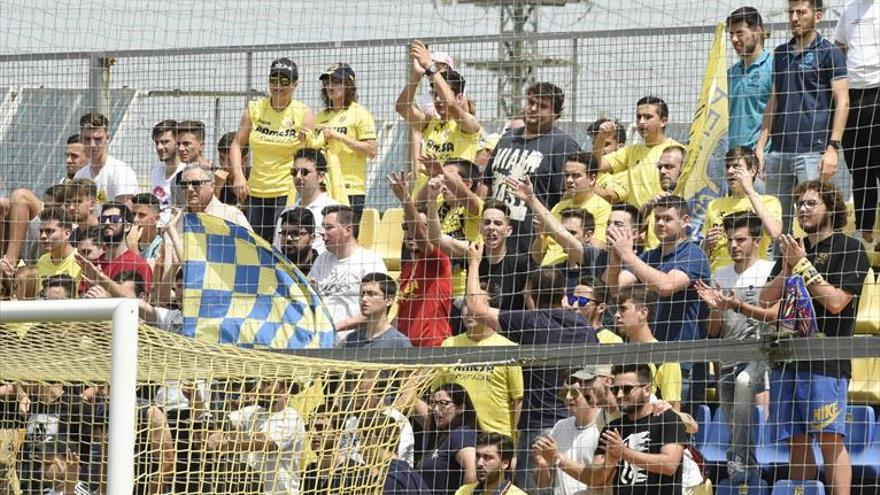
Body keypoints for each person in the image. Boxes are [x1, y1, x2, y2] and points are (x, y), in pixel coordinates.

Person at [759, 180, 869, 495]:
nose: (802, 209)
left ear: (831, 208)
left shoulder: (849, 247)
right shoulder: (792, 247)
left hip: (826, 358)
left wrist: (803, 265)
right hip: (787, 356)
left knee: (830, 439)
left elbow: (836, 302)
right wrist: (787, 268)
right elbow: (767, 301)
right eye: (800, 204)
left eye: (811, 203)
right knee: (795, 438)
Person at [465, 242, 597, 493]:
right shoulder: (584, 327)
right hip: (576, 422)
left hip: (540, 427)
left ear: (532, 295)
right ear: (563, 295)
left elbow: (476, 308)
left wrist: (473, 262)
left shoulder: (530, 321)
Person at [754, 0, 849, 237]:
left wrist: (832, 149)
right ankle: (781, 272)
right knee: (777, 227)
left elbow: (843, 101)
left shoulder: (830, 52)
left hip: (812, 153)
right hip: (778, 153)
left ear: (817, 16)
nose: (795, 18)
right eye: (791, 12)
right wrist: (760, 146)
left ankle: (815, 272)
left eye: (801, 12)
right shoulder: (781, 54)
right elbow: (773, 102)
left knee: (813, 222)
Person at [605, 195, 710, 410]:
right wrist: (616, 259)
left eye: (668, 219)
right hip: (649, 361)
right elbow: (615, 290)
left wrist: (628, 255)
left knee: (677, 430)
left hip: (682, 363)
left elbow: (666, 286)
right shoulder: (649, 256)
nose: (661, 223)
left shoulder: (693, 254)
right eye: (657, 218)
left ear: (685, 220)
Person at [695, 212, 776, 483]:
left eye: (740, 239)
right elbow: (714, 330)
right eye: (730, 240)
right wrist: (715, 308)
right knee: (732, 412)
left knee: (744, 383)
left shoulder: (768, 270)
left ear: (757, 240)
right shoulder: (720, 274)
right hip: (728, 354)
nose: (734, 245)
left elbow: (775, 318)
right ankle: (746, 466)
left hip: (762, 353)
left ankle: (741, 458)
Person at [484, 82, 581, 254]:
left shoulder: (562, 144)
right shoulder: (507, 138)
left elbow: (567, 197)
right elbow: (486, 183)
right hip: (496, 241)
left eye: (542, 106)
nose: (533, 108)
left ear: (555, 113)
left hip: (533, 243)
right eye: (531, 102)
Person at [229, 57, 316, 241]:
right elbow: (237, 143)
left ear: (295, 84)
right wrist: (238, 175)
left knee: (282, 244)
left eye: (285, 81)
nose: (278, 86)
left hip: (286, 191)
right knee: (255, 244)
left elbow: (311, 154)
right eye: (274, 80)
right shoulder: (255, 108)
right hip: (256, 190)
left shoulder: (303, 112)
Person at [573, 364, 689, 495]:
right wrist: (610, 462)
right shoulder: (612, 427)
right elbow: (596, 478)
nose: (620, 395)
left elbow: (669, 465)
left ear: (646, 390)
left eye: (627, 389)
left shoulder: (666, 418)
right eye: (616, 389)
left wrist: (624, 452)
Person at [435, 283, 524, 439]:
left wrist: (515, 442)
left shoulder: (508, 348)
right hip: (455, 439)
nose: (469, 310)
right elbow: (437, 394)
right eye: (466, 304)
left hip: (496, 441)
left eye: (477, 304)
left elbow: (517, 400)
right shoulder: (448, 346)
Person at [206, 379, 306, 495]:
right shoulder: (254, 411)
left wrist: (227, 441)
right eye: (259, 383)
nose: (258, 388)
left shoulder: (291, 417)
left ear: (284, 390)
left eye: (266, 384)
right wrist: (218, 432)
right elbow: (224, 422)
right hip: (251, 489)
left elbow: (263, 443)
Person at [834, 0, 880, 251]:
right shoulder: (849, 9)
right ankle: (865, 232)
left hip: (878, 90)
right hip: (853, 96)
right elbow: (838, 45)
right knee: (859, 170)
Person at [395, 41, 481, 173]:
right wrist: (416, 77)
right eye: (435, 95)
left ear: (460, 97)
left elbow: (451, 104)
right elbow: (402, 107)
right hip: (425, 191)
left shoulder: (468, 126)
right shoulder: (430, 122)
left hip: (450, 192)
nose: (439, 99)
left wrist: (430, 65)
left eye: (441, 94)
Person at [388, 171, 452, 347]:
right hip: (405, 350)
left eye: (416, 226)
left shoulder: (439, 260)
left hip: (432, 348)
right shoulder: (408, 268)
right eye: (405, 227)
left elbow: (420, 236)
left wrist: (406, 198)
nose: (410, 233)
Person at [309, 204, 388, 339]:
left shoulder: (370, 261)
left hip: (355, 344)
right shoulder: (321, 260)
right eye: (323, 227)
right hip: (321, 340)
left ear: (347, 230)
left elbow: (377, 312)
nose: (322, 232)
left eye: (329, 227)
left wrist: (335, 327)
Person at [591, 96, 682, 209]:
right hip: (636, 222)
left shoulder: (677, 151)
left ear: (663, 121)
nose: (641, 122)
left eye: (648, 117)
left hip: (662, 218)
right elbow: (596, 164)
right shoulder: (631, 151)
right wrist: (601, 137)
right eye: (639, 117)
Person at [702, 147, 781, 273]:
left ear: (753, 171)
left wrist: (749, 191)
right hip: (719, 276)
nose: (730, 171)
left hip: (754, 275)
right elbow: (704, 252)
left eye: (736, 166)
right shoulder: (714, 205)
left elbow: (775, 232)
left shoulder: (769, 202)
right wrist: (706, 243)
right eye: (727, 167)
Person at [531, 368, 605, 495]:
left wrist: (557, 457)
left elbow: (598, 478)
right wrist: (543, 466)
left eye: (574, 393)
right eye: (564, 392)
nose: (567, 397)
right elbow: (543, 486)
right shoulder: (560, 427)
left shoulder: (604, 426)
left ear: (590, 394)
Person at [315, 63, 378, 212]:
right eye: (326, 82)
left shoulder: (360, 113)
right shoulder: (320, 117)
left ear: (348, 84)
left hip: (351, 189)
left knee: (345, 234)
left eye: (336, 82)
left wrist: (340, 137)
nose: (330, 86)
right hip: (324, 188)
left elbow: (371, 151)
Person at [614, 286, 683, 411]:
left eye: (623, 309)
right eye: (617, 309)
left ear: (643, 313)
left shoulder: (666, 357)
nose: (616, 315)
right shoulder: (617, 354)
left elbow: (673, 413)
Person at [538, 151, 612, 267]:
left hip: (573, 275)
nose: (569, 180)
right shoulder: (559, 207)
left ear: (592, 179)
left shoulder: (604, 209)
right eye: (566, 175)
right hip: (544, 272)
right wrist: (540, 237)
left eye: (576, 176)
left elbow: (598, 250)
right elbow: (537, 257)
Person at [414, 383, 478, 495]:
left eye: (444, 403)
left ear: (461, 408)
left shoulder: (462, 434)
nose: (436, 409)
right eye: (433, 403)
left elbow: (473, 471)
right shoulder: (440, 436)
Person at [274, 148, 339, 254]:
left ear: (321, 176)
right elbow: (277, 251)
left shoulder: (335, 211)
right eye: (294, 172)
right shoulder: (286, 212)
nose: (298, 177)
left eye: (304, 172)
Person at [727, 7, 772, 151]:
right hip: (734, 159)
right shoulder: (730, 74)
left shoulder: (774, 68)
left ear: (757, 32)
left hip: (763, 158)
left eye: (740, 33)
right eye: (731, 34)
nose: (734, 39)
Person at [84, 202, 153, 294]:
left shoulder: (139, 265)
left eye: (114, 219)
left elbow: (142, 303)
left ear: (127, 226)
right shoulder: (94, 266)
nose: (107, 222)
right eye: (103, 219)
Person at [72, 112, 138, 205]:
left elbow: (124, 213)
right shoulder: (79, 175)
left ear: (107, 138)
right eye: (87, 139)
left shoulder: (121, 171)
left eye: (98, 139)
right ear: (81, 140)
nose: (92, 145)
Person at [361, 411, 430, 495]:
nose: (360, 450)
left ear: (372, 438)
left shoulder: (387, 480)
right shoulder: (410, 473)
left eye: (361, 441)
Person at [341, 273, 413, 349]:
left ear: (389, 300)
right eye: (362, 294)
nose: (364, 299)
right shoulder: (351, 339)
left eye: (371, 294)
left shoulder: (399, 343)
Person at [179, 164, 251, 229]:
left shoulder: (231, 216)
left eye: (196, 183)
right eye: (184, 184)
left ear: (212, 186)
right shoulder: (178, 218)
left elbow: (250, 242)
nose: (189, 189)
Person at [455, 433, 524, 495]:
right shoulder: (463, 491)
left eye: (487, 458)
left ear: (505, 464)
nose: (479, 463)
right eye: (478, 456)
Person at [35, 207, 82, 291]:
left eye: (49, 231)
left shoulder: (80, 260)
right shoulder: (42, 261)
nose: (43, 236)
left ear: (67, 233)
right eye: (41, 231)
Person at [564, 278, 623, 344]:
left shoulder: (611, 340)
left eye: (582, 300)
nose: (574, 306)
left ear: (601, 308)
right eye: (573, 299)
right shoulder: (565, 335)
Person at [148, 119, 183, 220]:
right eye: (157, 143)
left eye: (165, 142)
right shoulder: (156, 171)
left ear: (178, 142)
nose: (159, 147)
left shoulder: (185, 172)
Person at [276, 207, 319, 274]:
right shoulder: (275, 267)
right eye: (284, 233)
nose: (288, 238)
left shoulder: (321, 268)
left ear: (312, 238)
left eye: (296, 234)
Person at [214, 131, 249, 206]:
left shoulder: (253, 178)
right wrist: (217, 190)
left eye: (230, 160)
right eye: (221, 158)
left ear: (245, 160)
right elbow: (210, 214)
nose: (225, 165)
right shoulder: (216, 178)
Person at [128, 193, 163, 265]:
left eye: (142, 215)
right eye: (134, 214)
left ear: (156, 219)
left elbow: (146, 274)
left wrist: (133, 249)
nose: (135, 219)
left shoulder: (160, 247)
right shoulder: (125, 241)